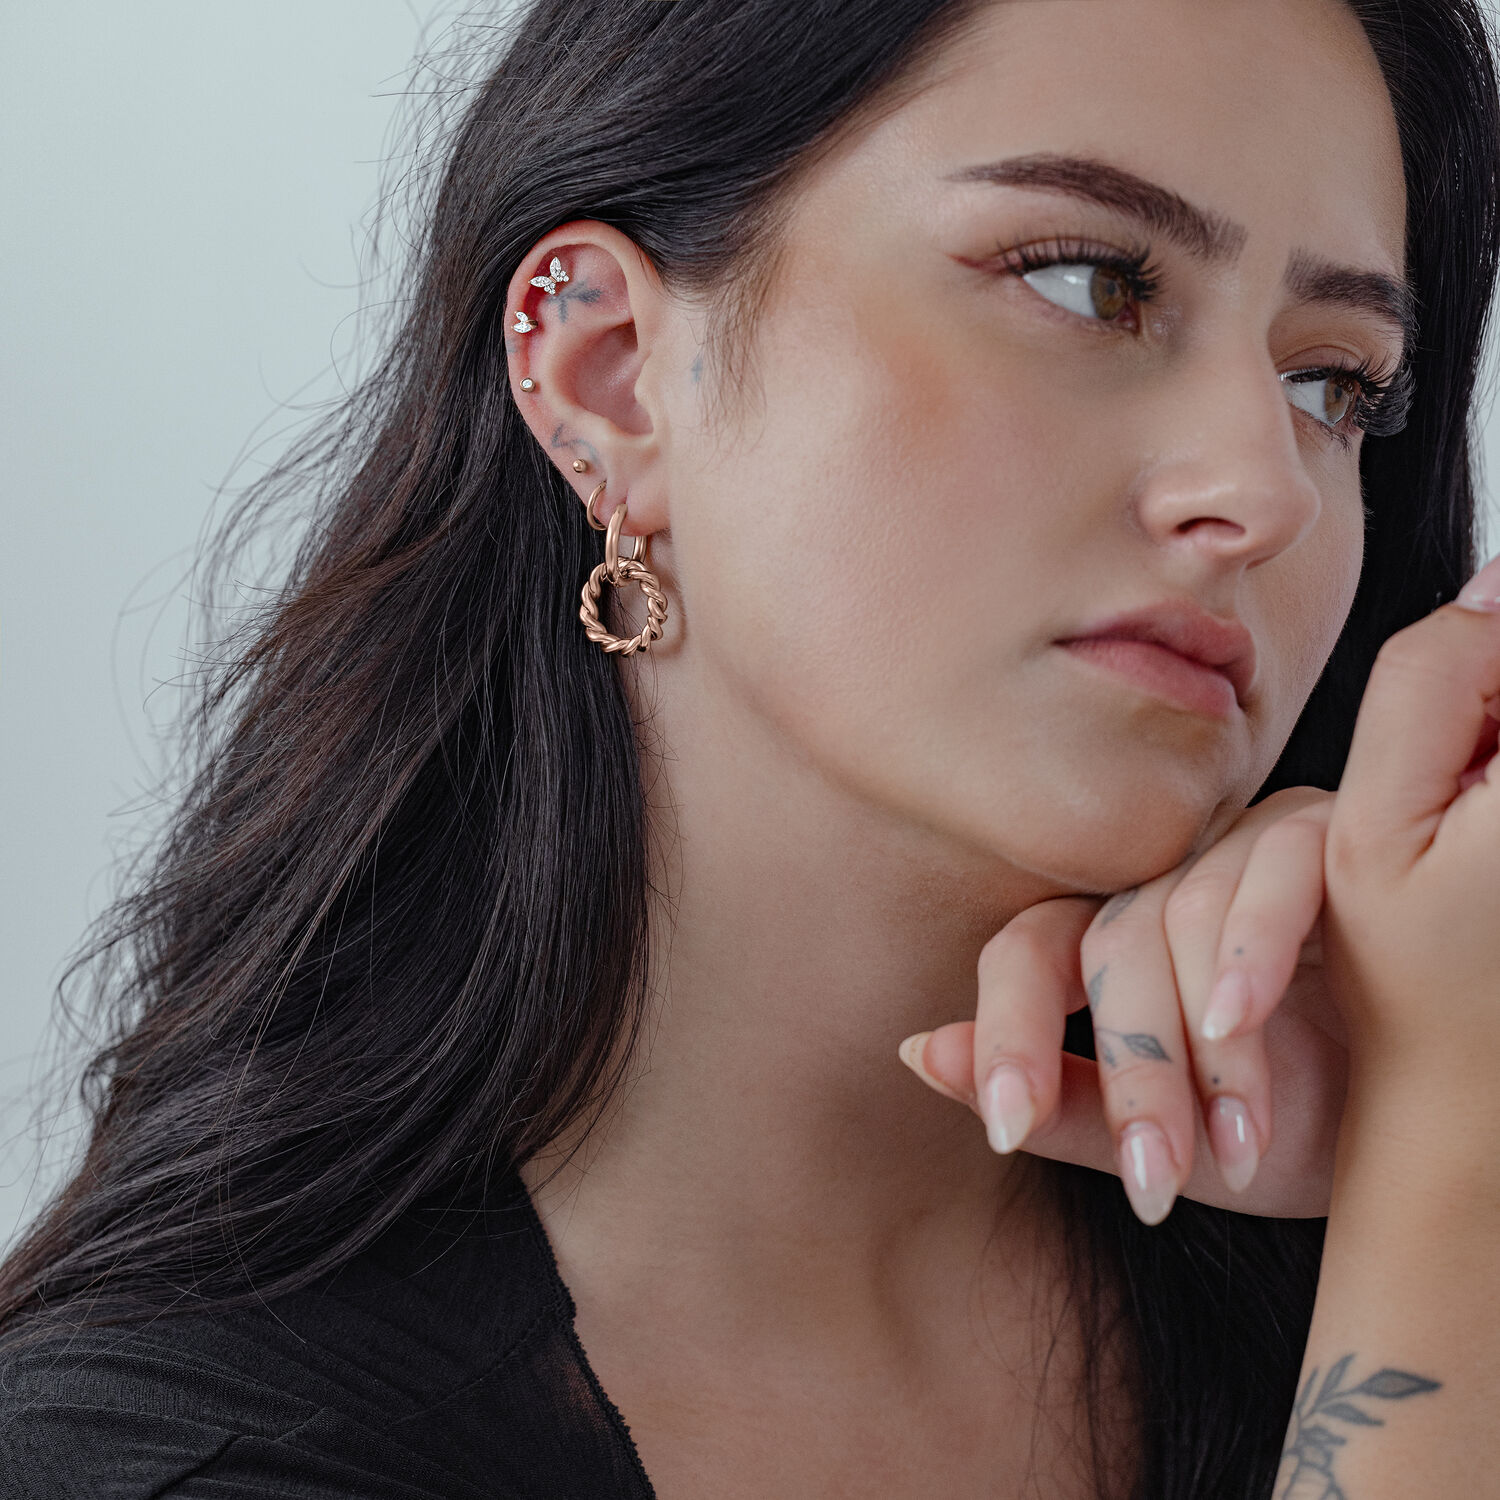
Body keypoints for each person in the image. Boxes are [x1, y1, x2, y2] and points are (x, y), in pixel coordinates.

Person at [2, 0, 1499, 1495]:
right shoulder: (175, 1454)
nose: (1265, 487)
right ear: (610, 373)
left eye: (1333, 384)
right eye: (1088, 279)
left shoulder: (1359, 1197)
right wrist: (1452, 1173)